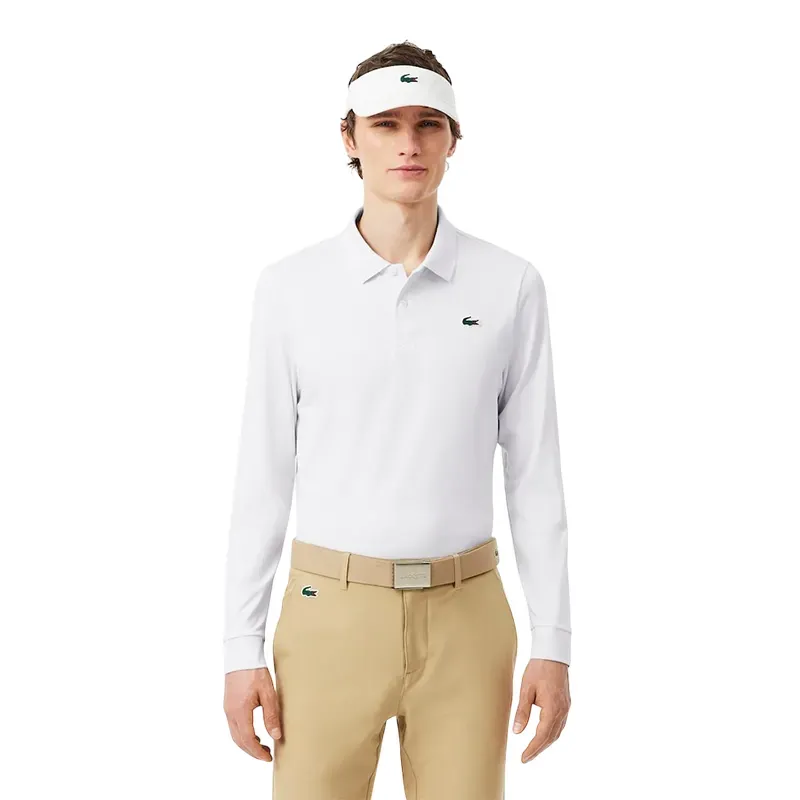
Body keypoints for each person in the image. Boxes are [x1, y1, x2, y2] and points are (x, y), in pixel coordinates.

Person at [222, 41, 572, 799]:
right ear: (349, 138)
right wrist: (239, 646)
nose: (408, 143)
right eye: (386, 124)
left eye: (428, 124)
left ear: (453, 139)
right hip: (328, 615)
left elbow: (535, 477)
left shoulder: (510, 286)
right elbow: (262, 477)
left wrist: (555, 641)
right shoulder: (291, 289)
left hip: (468, 619)